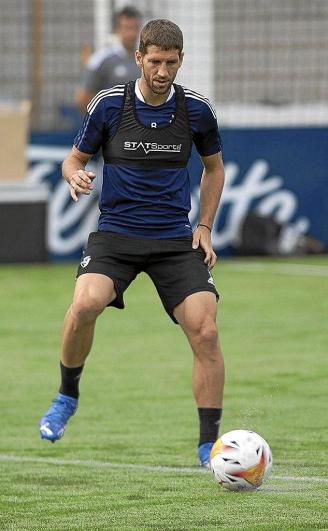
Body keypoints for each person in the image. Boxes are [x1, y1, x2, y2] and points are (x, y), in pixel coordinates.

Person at [40, 18, 225, 469]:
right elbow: (73, 159)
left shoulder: (196, 110)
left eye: (171, 62)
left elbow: (214, 169)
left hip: (173, 241)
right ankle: (67, 395)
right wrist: (74, 175)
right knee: (85, 303)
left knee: (205, 328)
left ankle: (209, 447)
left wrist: (203, 226)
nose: (163, 71)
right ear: (138, 57)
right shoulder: (109, 104)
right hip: (116, 236)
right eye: (155, 61)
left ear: (181, 60)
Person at [75, 6, 141, 113]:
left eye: (135, 28)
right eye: (127, 28)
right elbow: (83, 97)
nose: (131, 34)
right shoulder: (100, 59)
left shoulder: (146, 59)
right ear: (117, 30)